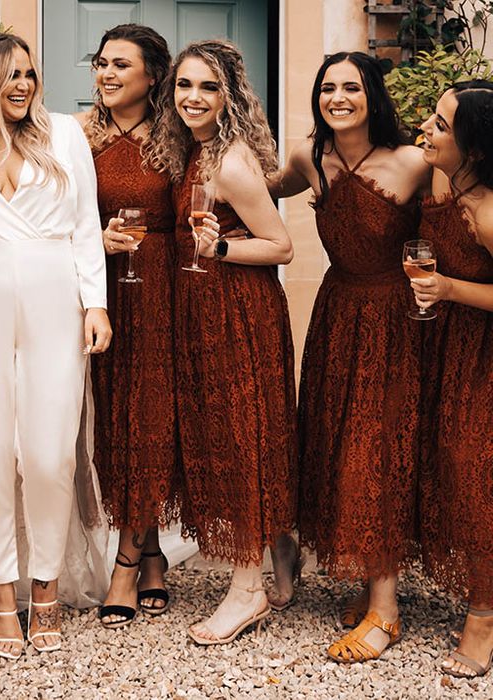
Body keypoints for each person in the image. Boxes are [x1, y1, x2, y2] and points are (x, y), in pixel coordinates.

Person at [0, 32, 110, 659]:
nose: (22, 85)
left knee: (47, 450)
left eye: (29, 73)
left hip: (53, 295)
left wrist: (96, 304)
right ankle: (3, 596)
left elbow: (86, 224)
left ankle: (49, 585)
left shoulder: (65, 134)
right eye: (9, 75)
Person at [267, 51, 430, 662]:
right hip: (338, 314)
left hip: (398, 319)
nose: (338, 97)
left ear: (373, 96)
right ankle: (370, 583)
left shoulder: (412, 161)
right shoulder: (310, 157)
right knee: (343, 444)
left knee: (379, 448)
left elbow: (459, 212)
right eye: (328, 87)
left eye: (351, 88)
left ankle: (385, 611)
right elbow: (256, 191)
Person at [147, 39, 297, 645]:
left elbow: (281, 245)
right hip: (202, 308)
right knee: (241, 433)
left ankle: (247, 589)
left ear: (228, 95)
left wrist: (223, 248)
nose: (193, 98)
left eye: (208, 87)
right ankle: (282, 556)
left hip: (239, 313)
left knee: (241, 440)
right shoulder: (191, 151)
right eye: (185, 85)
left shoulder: (229, 162)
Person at [72, 23, 177, 629]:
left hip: (163, 288)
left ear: (152, 76)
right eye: (101, 63)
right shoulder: (76, 134)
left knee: (152, 418)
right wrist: (95, 243)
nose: (106, 75)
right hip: (100, 290)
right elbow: (57, 215)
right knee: (115, 420)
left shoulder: (175, 135)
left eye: (121, 66)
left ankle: (126, 564)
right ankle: (154, 550)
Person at [411, 80, 493, 678]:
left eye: (441, 123)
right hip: (442, 345)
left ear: (475, 145)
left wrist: (447, 288)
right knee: (444, 466)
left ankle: (484, 618)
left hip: (485, 352)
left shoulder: (490, 212)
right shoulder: (441, 177)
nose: (428, 128)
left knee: (475, 479)